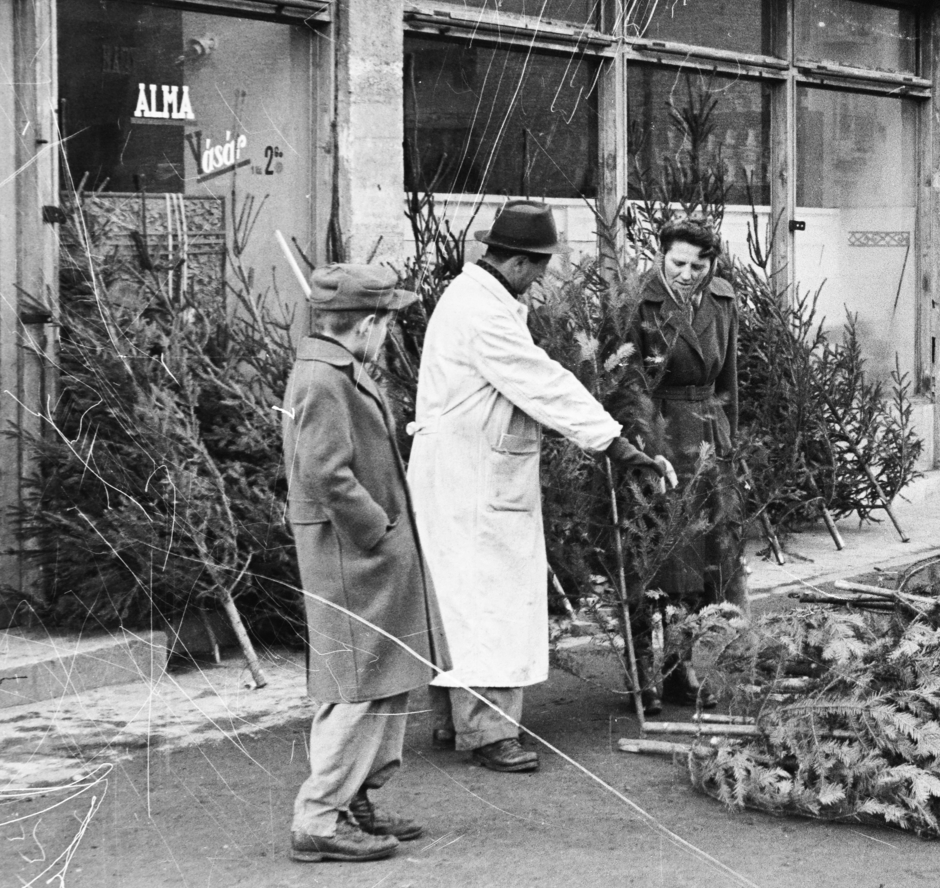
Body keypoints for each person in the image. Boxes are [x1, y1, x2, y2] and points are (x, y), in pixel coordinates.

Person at [407, 200, 674, 773]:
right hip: (472, 479)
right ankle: (487, 733)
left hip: (466, 473)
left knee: (462, 601)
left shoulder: (477, 298)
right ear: (519, 262)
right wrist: (614, 442)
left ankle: (456, 721)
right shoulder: (481, 311)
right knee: (489, 603)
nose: (541, 280)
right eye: (541, 267)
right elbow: (542, 382)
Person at [282, 263, 446, 864]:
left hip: (365, 552)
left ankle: (355, 799)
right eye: (387, 322)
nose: (388, 333)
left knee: (383, 675)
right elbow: (325, 472)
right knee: (357, 683)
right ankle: (320, 818)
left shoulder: (335, 369)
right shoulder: (323, 379)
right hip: (353, 553)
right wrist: (376, 530)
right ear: (366, 324)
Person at [630, 218, 745, 713]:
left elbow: (730, 380)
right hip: (658, 436)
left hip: (708, 438)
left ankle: (681, 667)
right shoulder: (638, 302)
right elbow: (626, 386)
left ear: (711, 264)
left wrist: (729, 446)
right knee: (655, 557)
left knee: (705, 559)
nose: (687, 274)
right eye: (678, 263)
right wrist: (636, 451)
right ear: (661, 256)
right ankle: (643, 672)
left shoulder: (722, 300)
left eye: (699, 266)